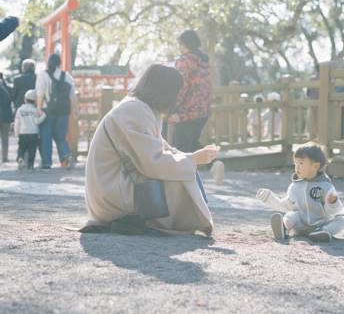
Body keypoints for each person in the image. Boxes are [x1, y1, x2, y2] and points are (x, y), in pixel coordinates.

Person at [84, 64, 218, 236]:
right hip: (110, 194)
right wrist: (191, 160)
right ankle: (187, 221)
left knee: (183, 168)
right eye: (176, 92)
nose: (178, 98)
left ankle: (188, 221)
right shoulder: (135, 110)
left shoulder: (144, 109)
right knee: (180, 174)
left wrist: (193, 157)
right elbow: (153, 163)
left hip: (113, 187)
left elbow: (164, 150)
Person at [256, 142, 344, 242]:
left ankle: (324, 232)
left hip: (321, 223)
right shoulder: (294, 186)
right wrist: (269, 198)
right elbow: (285, 206)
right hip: (300, 225)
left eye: (301, 163)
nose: (297, 167)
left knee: (342, 220)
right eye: (295, 163)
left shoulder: (326, 186)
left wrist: (332, 202)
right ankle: (284, 228)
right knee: (291, 215)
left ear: (316, 166)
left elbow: (333, 211)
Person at [171, 30, 211, 153]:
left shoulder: (185, 61)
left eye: (180, 44)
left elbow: (181, 86)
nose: (179, 47)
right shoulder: (204, 61)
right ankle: (214, 163)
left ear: (185, 44)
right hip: (203, 111)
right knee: (192, 144)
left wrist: (173, 107)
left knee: (181, 149)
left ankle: (212, 162)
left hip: (186, 112)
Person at [35, 53, 77, 169]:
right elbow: (72, 96)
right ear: (60, 63)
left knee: (46, 136)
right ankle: (66, 154)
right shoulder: (67, 76)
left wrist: (39, 108)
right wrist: (74, 110)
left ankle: (47, 163)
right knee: (61, 137)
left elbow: (40, 93)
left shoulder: (43, 75)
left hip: (48, 111)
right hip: (64, 111)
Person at [14, 89, 46, 170]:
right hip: (33, 134)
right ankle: (30, 166)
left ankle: (20, 158)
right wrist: (44, 115)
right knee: (32, 150)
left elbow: (17, 123)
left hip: (23, 133)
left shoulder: (20, 110)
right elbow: (37, 121)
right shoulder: (35, 110)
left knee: (21, 148)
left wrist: (16, 134)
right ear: (35, 101)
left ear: (25, 99)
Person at [0, 73, 13, 162]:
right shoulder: (8, 88)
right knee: (5, 138)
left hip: (5, 115)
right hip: (6, 116)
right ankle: (4, 157)